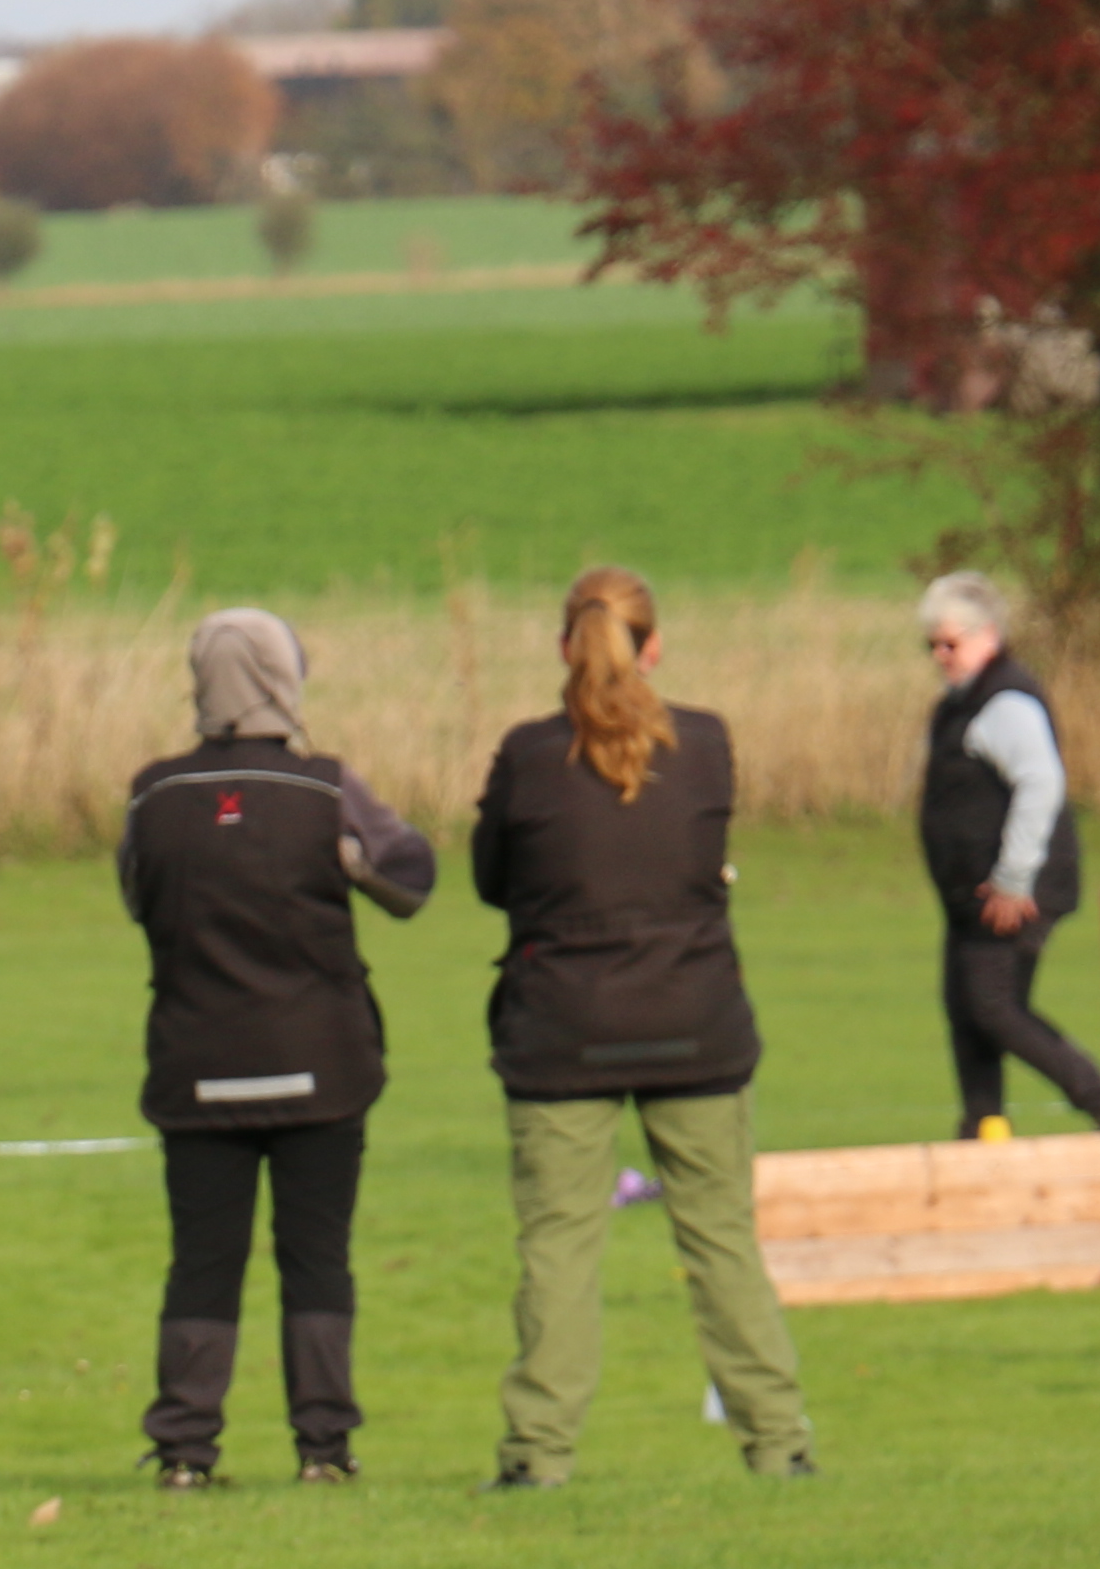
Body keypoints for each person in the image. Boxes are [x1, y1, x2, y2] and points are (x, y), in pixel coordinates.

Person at [471, 567, 812, 1488]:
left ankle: (539, 1456)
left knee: (558, 1249)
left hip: (563, 1028)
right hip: (693, 1020)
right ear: (653, 646)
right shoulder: (704, 744)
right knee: (721, 1241)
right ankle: (778, 1443)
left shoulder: (527, 755)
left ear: (563, 647)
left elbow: (493, 880)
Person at [115, 610, 437, 1487]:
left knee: (202, 1261)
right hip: (321, 1068)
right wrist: (354, 871)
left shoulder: (155, 794)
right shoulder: (327, 790)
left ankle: (184, 1450)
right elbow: (413, 878)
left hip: (195, 1067)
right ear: (283, 678)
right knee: (317, 1257)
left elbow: (137, 897)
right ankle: (323, 1449)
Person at [918, 572, 1100, 1142]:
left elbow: (1041, 784)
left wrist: (1015, 879)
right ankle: (982, 1126)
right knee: (966, 1007)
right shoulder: (960, 704)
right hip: (971, 895)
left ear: (987, 635)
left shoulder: (1005, 702)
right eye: (932, 645)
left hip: (1010, 891)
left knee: (993, 1006)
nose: (940, 656)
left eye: (950, 643)